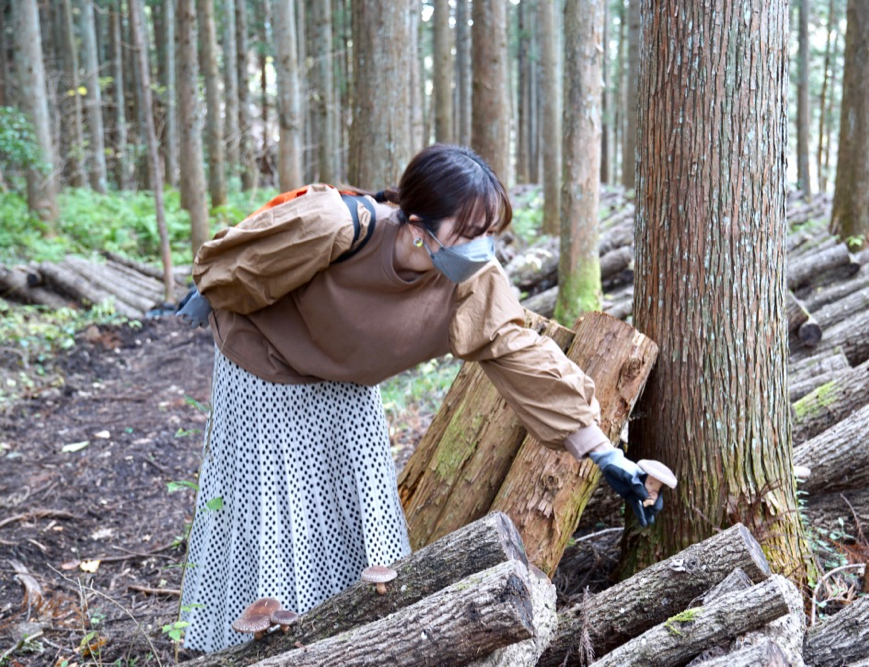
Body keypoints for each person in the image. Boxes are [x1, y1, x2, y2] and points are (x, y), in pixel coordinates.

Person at [175, 144, 666, 653]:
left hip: (349, 380)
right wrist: (211, 292)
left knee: (363, 511)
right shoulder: (335, 225)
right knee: (279, 511)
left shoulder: (471, 279)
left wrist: (600, 450)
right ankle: (258, 650)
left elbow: (519, 352)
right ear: (416, 225)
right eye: (469, 232)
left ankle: (351, 641)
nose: (481, 247)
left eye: (489, 232)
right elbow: (238, 267)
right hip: (266, 365)